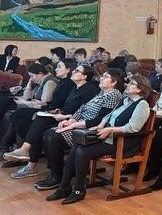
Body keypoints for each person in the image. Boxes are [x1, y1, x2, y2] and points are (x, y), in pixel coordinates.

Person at [45, 75, 152, 204]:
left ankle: (79, 190)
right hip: (108, 137)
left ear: (139, 89)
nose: (127, 85)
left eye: (132, 84)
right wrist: (102, 125)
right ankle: (64, 187)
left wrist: (110, 129)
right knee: (76, 146)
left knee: (82, 151)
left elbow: (133, 128)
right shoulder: (125, 100)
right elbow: (108, 115)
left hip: (122, 142)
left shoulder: (142, 105)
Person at [37, 68, 125, 190]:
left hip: (91, 129)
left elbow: (99, 120)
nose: (101, 78)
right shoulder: (102, 92)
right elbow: (83, 108)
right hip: (80, 124)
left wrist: (74, 125)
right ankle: (56, 174)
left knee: (52, 137)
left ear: (114, 82)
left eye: (105, 77)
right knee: (48, 133)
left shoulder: (114, 95)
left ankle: (58, 176)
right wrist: (71, 120)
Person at [7, 64, 99, 179]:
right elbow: (69, 106)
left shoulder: (89, 89)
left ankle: (28, 156)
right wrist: (60, 111)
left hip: (72, 121)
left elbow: (85, 112)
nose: (73, 71)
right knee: (34, 123)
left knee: (40, 127)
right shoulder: (75, 88)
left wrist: (66, 116)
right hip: (63, 116)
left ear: (84, 76)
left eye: (77, 71)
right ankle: (27, 156)